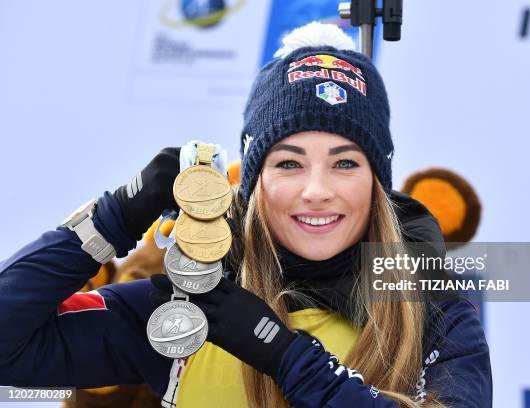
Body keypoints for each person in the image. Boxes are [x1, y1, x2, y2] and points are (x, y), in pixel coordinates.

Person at [0, 23, 491, 407]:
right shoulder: (190, 309)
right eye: (288, 163)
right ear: (254, 184)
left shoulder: (431, 310)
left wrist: (280, 354)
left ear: (376, 183)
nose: (316, 190)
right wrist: (113, 218)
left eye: (344, 163)